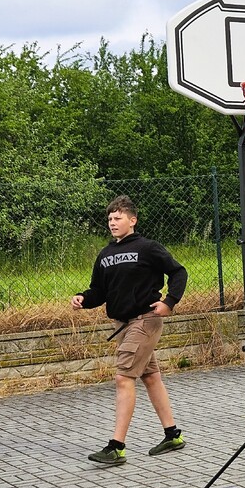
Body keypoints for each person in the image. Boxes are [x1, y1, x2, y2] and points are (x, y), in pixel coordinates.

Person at [72, 195, 189, 466]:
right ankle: (173, 435)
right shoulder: (105, 255)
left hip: (145, 321)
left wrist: (169, 302)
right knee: (151, 377)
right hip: (122, 325)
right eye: (110, 219)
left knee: (123, 378)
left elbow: (178, 272)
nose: (112, 223)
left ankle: (116, 447)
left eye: (118, 218)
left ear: (132, 220)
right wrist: (82, 299)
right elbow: (99, 291)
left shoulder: (148, 248)